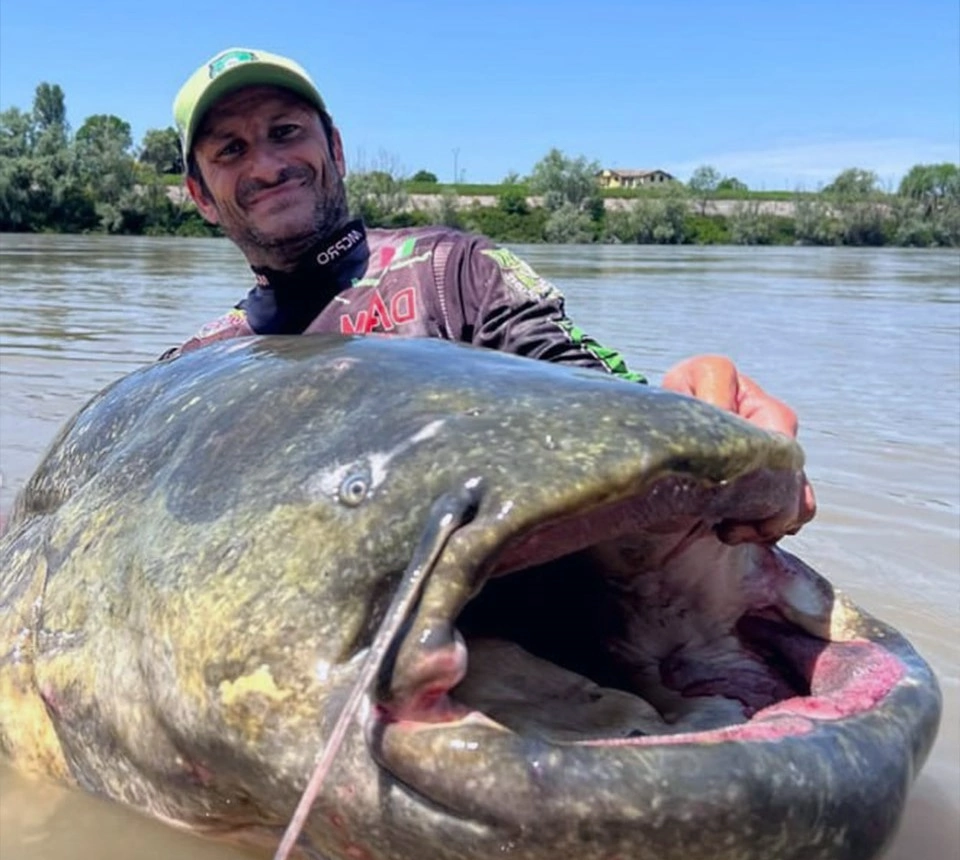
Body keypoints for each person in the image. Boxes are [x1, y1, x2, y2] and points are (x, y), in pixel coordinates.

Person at [169, 47, 814, 542]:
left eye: (285, 132)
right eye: (230, 149)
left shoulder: (456, 272)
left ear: (334, 148)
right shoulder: (191, 373)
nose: (265, 164)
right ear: (199, 194)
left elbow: (591, 395)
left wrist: (692, 411)